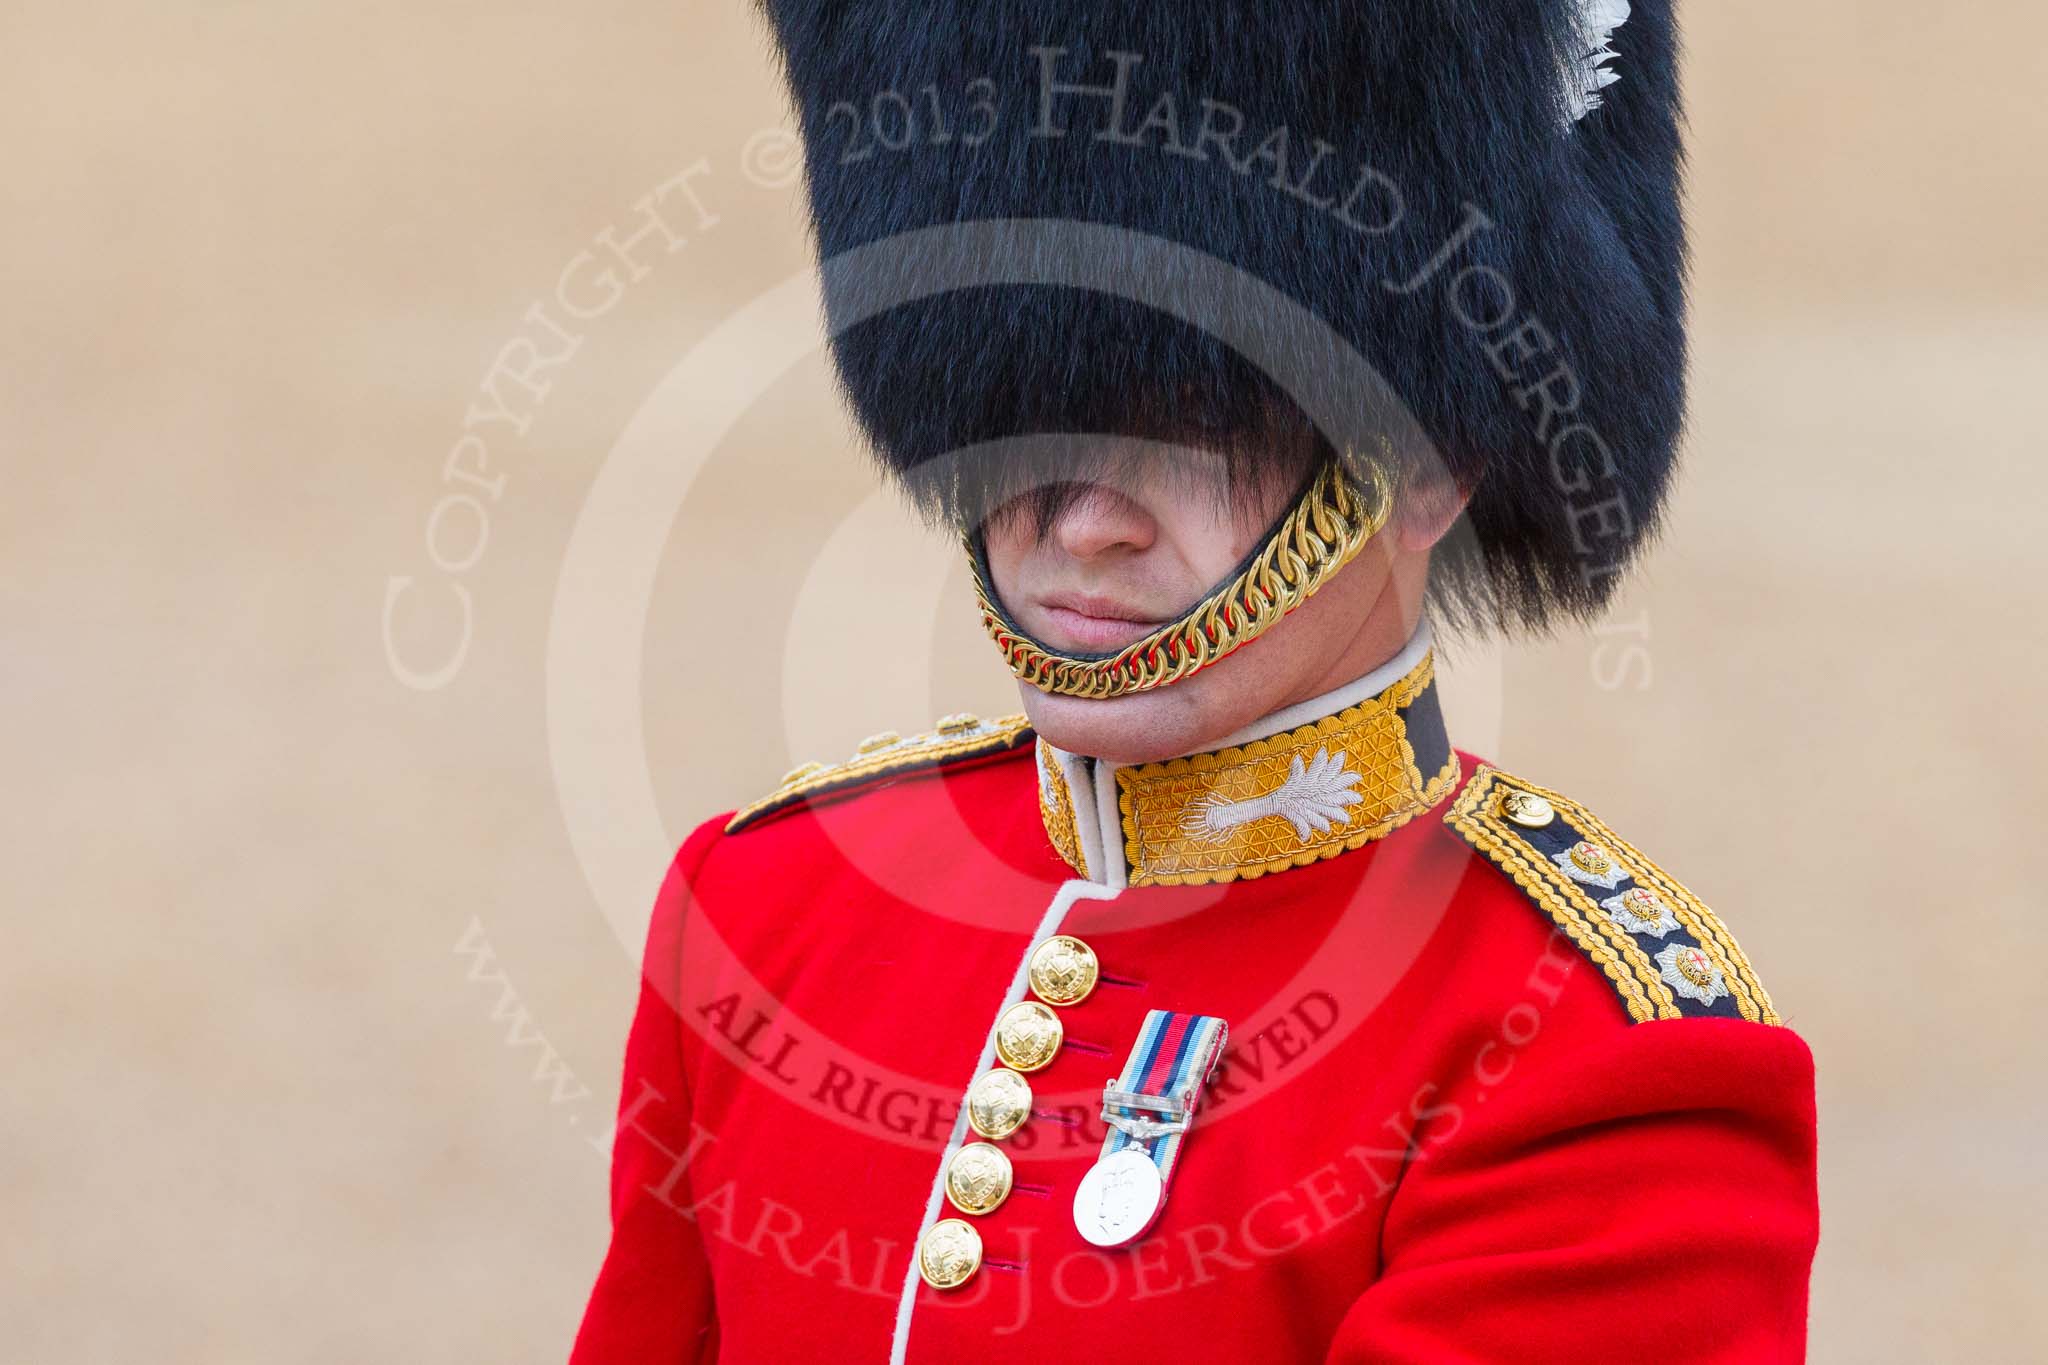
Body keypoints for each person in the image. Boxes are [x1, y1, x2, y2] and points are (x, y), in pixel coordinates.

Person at [571, 3, 1818, 1361]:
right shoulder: (765, 909)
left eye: (1193, 427)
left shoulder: (1589, 1066)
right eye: (1018, 408)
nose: (1082, 518)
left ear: (1429, 464)